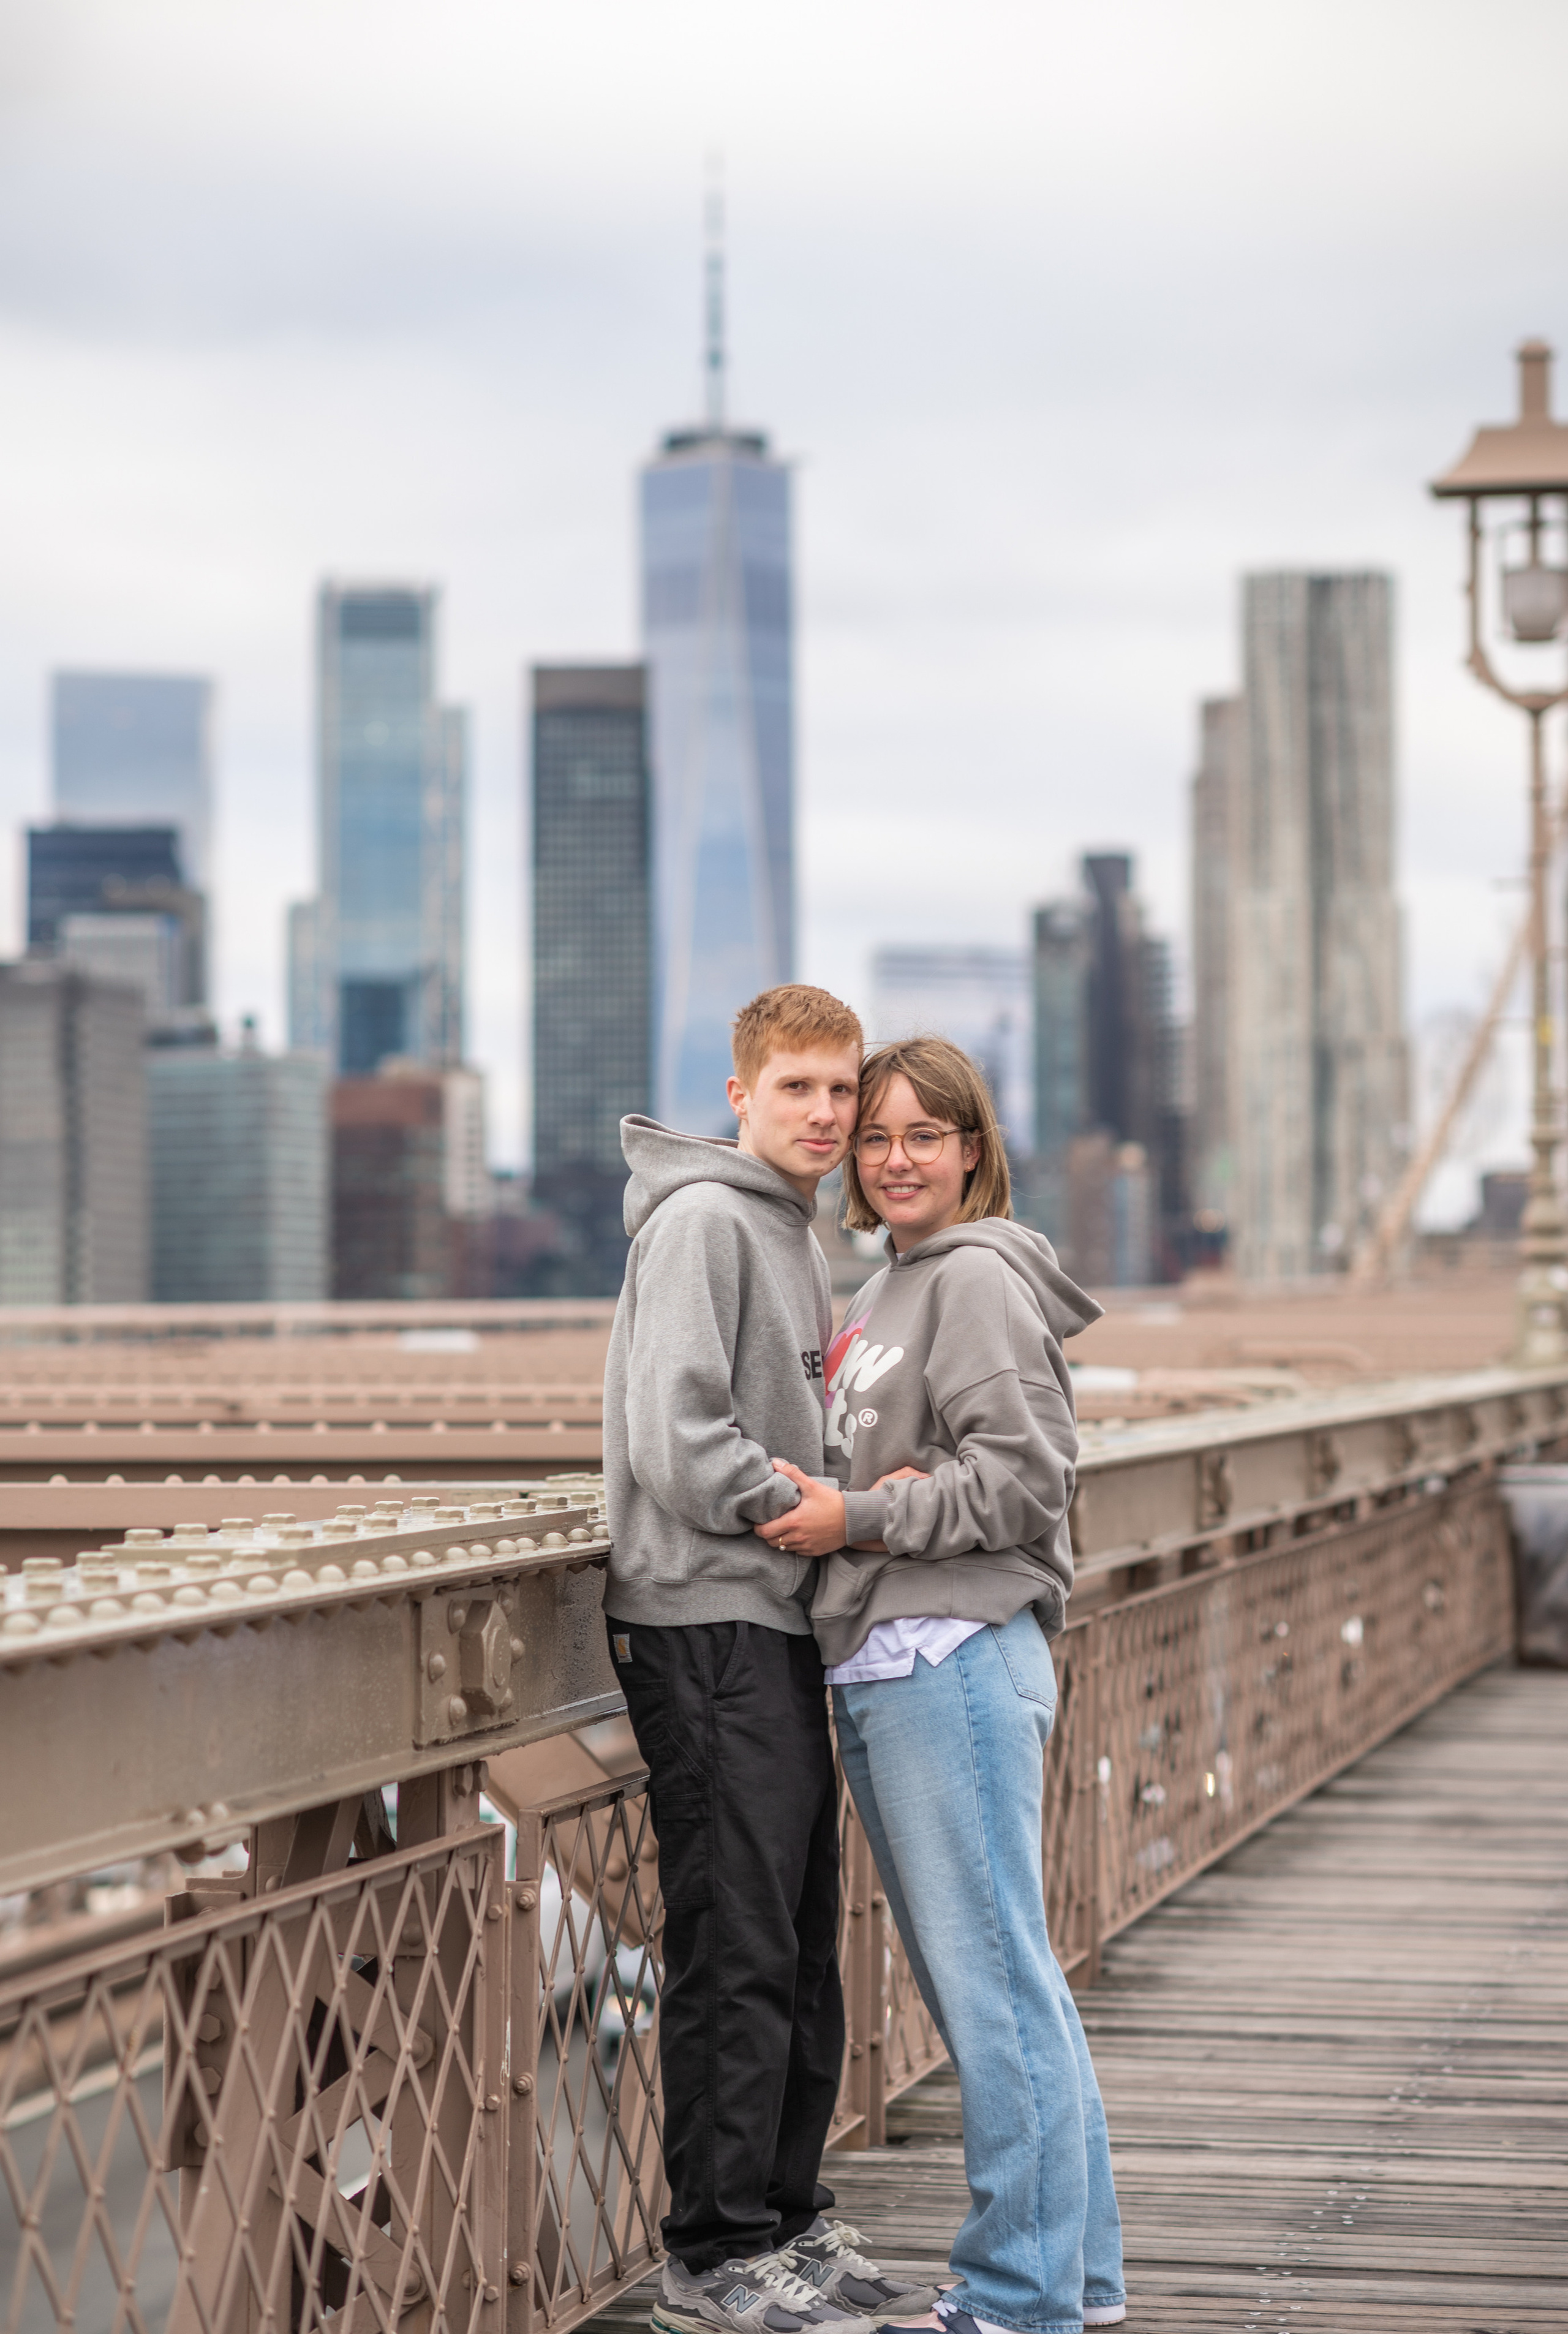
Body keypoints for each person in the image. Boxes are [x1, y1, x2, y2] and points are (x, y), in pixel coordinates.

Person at [756, 1036, 1128, 2334]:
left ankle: (1018, 2297)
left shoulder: (967, 1279)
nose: (895, 1158)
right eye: (874, 1137)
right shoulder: (890, 1282)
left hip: (946, 1654)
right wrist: (874, 1504)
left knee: (990, 1992)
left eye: (925, 1134)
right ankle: (1074, 2277)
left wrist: (858, 1517)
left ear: (973, 1147)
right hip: (903, 1655)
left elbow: (1025, 1480)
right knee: (1011, 1983)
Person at [603, 985, 940, 2334]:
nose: (825, 1112)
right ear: (738, 1095)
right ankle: (714, 2251)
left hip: (768, 1616)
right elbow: (674, 1437)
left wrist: (848, 1488)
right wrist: (790, 1507)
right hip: (702, 1618)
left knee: (799, 1942)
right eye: (795, 1087)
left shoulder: (788, 1233)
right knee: (736, 1941)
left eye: (839, 1089)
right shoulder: (701, 1224)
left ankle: (789, 2225)